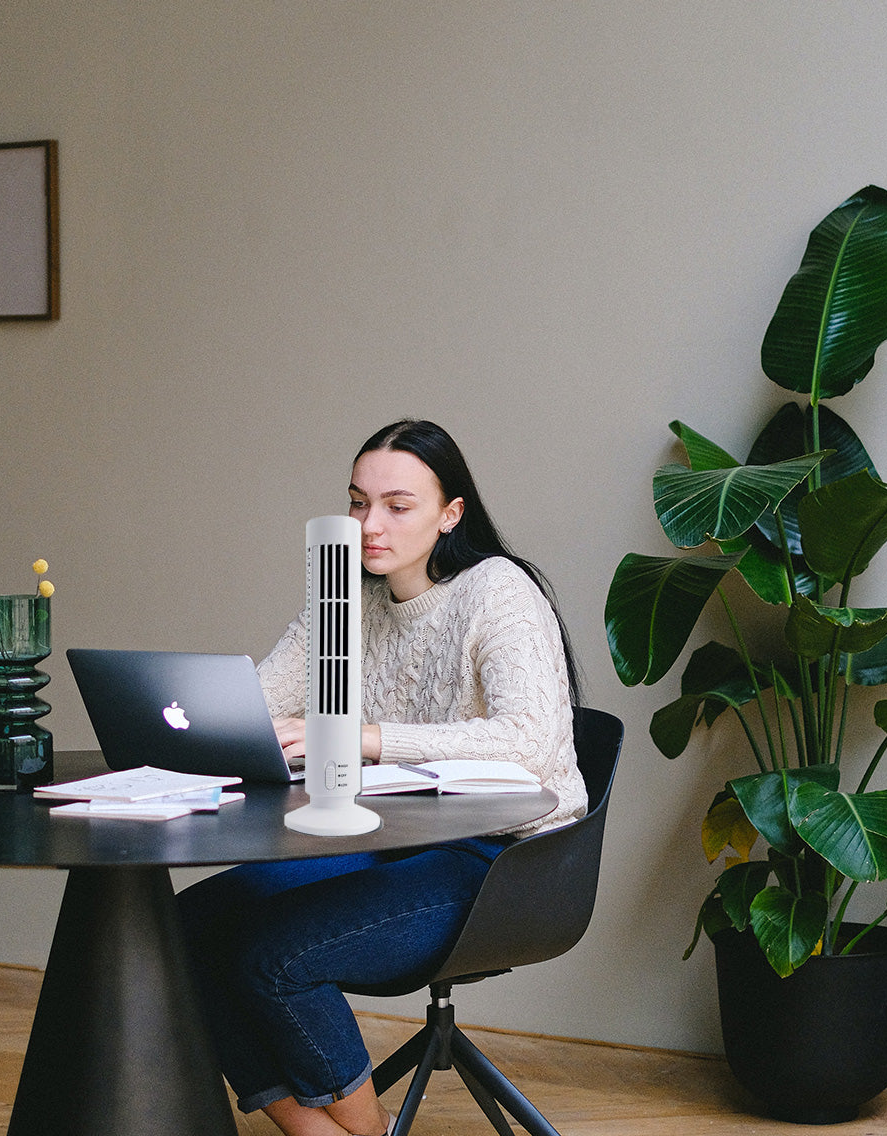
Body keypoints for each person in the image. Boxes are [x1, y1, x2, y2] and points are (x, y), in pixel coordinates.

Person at [178, 419, 586, 1136]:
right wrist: (178, 713)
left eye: (398, 506)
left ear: (450, 514)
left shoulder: (497, 590)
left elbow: (527, 743)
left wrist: (359, 739)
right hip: (393, 839)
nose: (370, 525)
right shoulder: (349, 598)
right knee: (184, 925)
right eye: (358, 502)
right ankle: (310, 1129)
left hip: (504, 860)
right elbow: (263, 697)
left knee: (275, 958)